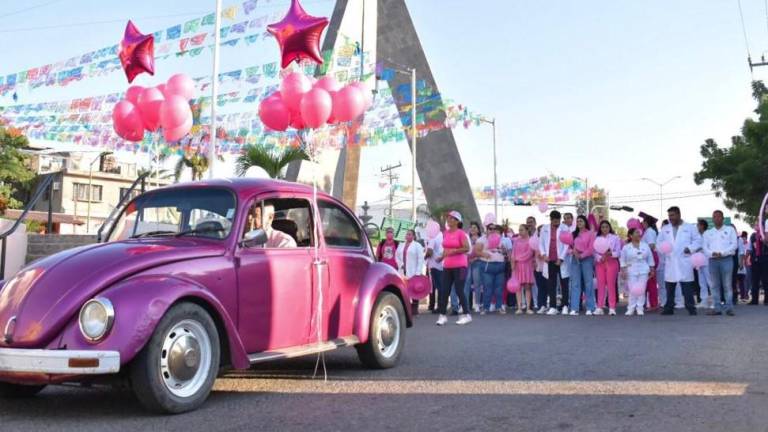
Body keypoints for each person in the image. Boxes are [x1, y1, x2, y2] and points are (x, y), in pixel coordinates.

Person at [657, 206, 701, 316]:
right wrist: (663, 248)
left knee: (687, 288)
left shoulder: (690, 227)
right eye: (669, 216)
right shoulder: (665, 229)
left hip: (684, 261)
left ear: (678, 214)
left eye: (672, 215)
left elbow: (698, 240)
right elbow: (658, 242)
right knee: (670, 287)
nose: (670, 218)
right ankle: (669, 308)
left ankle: (691, 308)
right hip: (671, 261)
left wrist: (690, 248)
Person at [436, 211, 472, 326]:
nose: (449, 220)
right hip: (447, 266)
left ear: (457, 221)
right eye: (448, 218)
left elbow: (467, 248)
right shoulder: (445, 233)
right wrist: (441, 257)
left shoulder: (461, 233)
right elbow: (446, 249)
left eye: (452, 218)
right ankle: (442, 316)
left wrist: (455, 251)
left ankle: (466, 315)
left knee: (459, 289)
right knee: (444, 290)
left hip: (460, 266)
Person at [702, 210, 738, 316]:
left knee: (727, 285)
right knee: (714, 285)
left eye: (719, 216)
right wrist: (712, 253)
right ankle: (717, 308)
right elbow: (705, 247)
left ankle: (729, 308)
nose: (717, 218)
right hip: (713, 260)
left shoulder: (730, 230)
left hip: (726, 259)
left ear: (723, 218)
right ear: (712, 219)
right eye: (715, 217)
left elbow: (734, 245)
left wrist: (722, 253)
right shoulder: (708, 233)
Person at [538, 210, 569, 315]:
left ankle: (565, 305)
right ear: (550, 220)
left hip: (561, 260)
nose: (557, 223)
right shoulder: (544, 228)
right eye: (554, 221)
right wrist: (543, 254)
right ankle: (552, 306)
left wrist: (561, 258)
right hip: (549, 260)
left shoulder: (565, 228)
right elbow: (541, 243)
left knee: (564, 283)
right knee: (551, 284)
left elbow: (567, 244)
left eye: (558, 221)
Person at [620, 227, 656, 316]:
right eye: (636, 232)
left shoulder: (645, 245)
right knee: (632, 290)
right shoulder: (626, 247)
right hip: (631, 270)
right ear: (631, 235)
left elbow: (650, 258)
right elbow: (622, 260)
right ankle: (631, 308)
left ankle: (640, 308)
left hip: (643, 270)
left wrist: (652, 269)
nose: (638, 234)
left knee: (641, 289)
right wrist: (623, 271)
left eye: (639, 232)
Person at [568, 215, 597, 316]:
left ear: (585, 222)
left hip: (587, 260)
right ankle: (574, 308)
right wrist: (573, 252)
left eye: (581, 221)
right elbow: (568, 248)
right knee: (575, 284)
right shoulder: (573, 234)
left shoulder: (590, 234)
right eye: (578, 221)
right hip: (575, 261)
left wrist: (582, 255)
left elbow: (591, 248)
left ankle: (590, 307)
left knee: (588, 283)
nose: (579, 222)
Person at [594, 220, 622, 316]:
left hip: (611, 262)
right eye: (602, 227)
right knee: (600, 285)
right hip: (600, 263)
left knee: (611, 285)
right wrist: (599, 258)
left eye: (606, 227)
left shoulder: (615, 238)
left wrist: (611, 253)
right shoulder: (597, 238)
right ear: (600, 229)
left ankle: (612, 307)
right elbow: (594, 252)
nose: (604, 229)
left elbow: (618, 252)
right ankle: (599, 307)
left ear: (609, 227)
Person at [478, 224, 506, 314]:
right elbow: (476, 251)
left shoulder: (500, 238)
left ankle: (499, 306)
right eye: (490, 229)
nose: (493, 230)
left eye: (495, 229)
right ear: (487, 229)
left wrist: (502, 250)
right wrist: (484, 254)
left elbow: (505, 251)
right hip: (487, 265)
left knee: (499, 288)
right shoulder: (481, 239)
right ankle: (486, 307)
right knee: (487, 288)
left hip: (500, 265)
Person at [396, 229, 426, 315]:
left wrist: (418, 272)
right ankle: (406, 308)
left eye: (410, 234)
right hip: (402, 270)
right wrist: (400, 264)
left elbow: (420, 259)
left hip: (413, 271)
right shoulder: (401, 245)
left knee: (414, 290)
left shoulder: (417, 246)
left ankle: (415, 308)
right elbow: (397, 256)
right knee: (404, 289)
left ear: (413, 236)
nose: (408, 236)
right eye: (407, 234)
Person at [512, 224, 536, 314]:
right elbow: (513, 254)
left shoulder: (530, 240)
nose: (520, 232)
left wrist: (517, 259)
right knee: (518, 287)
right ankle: (519, 307)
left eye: (522, 230)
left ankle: (528, 307)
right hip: (518, 266)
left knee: (527, 287)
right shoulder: (516, 241)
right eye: (519, 230)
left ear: (527, 230)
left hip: (527, 266)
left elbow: (529, 254)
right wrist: (513, 263)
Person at [640, 212, 660, 310]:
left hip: (650, 257)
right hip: (647, 257)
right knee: (648, 281)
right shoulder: (647, 231)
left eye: (643, 221)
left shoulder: (650, 231)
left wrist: (641, 251)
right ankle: (650, 303)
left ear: (646, 222)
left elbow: (652, 245)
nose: (642, 223)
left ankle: (654, 304)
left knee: (651, 281)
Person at [748, 226, 768, 305]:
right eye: (756, 225)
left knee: (765, 280)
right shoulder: (753, 235)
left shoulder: (766, 235)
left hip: (765, 259)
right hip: (755, 260)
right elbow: (750, 248)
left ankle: (767, 299)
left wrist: (765, 241)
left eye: (758, 225)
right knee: (754, 280)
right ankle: (754, 299)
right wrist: (747, 257)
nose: (757, 226)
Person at [425, 229, 444, 313]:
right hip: (441, 265)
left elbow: (429, 251)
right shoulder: (441, 237)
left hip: (434, 265)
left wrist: (425, 257)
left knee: (436, 287)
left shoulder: (433, 239)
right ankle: (441, 305)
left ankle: (440, 307)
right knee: (441, 287)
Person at [695, 219, 712, 309]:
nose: (697, 227)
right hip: (699, 261)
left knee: (710, 281)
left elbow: (707, 247)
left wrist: (700, 249)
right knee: (702, 282)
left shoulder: (707, 235)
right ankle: (704, 301)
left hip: (707, 261)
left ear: (702, 226)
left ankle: (714, 300)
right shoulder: (697, 236)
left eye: (698, 225)